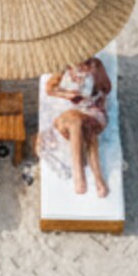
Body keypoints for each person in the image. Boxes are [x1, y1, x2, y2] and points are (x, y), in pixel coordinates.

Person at [40, 58, 112, 199]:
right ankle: (85, 176)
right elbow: (50, 88)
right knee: (76, 120)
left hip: (92, 111)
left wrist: (94, 89)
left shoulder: (95, 65)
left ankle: (94, 179)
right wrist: (68, 94)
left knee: (85, 125)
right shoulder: (65, 65)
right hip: (70, 113)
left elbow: (107, 88)